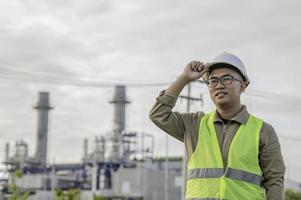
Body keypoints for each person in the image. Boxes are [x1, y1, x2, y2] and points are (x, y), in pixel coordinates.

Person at [149, 52, 285, 200]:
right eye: (213, 81)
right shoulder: (194, 124)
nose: (219, 85)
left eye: (226, 78)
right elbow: (158, 114)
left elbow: (274, 182)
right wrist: (184, 78)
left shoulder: (263, 131)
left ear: (243, 85)